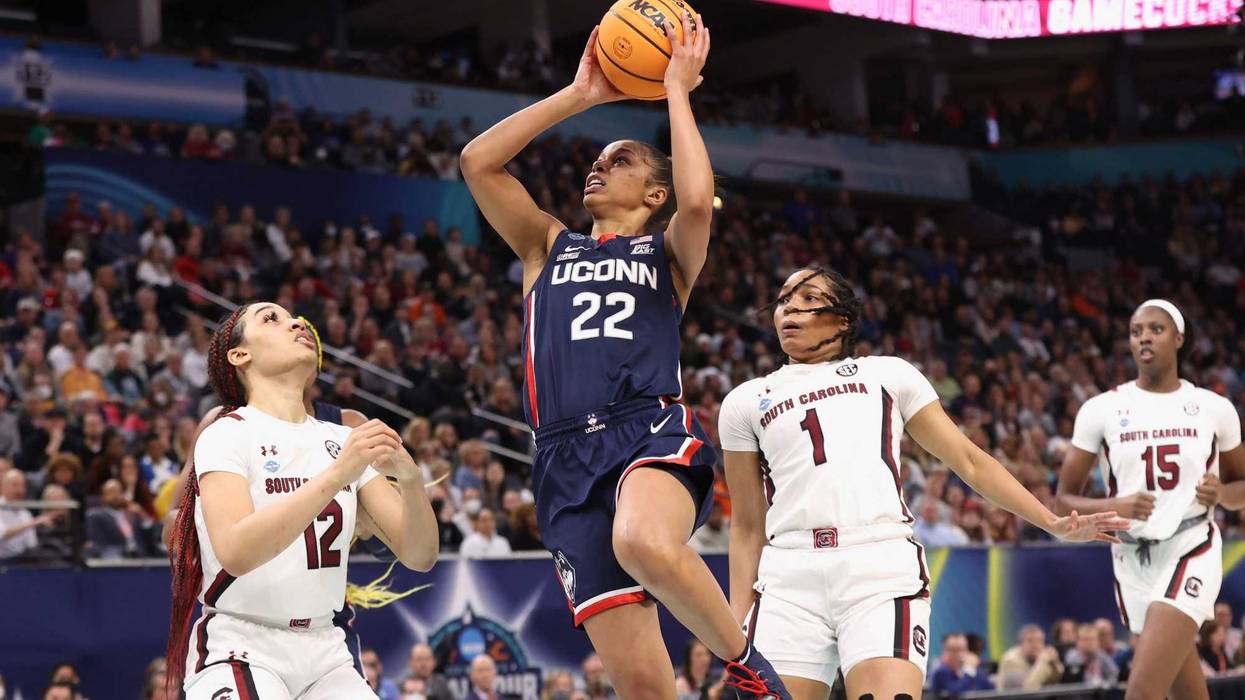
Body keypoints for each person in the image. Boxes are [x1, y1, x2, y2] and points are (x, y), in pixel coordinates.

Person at [460, 15, 781, 699]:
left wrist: (675, 90)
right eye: (596, 160)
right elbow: (476, 163)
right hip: (559, 459)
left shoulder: (665, 255)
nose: (597, 166)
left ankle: (748, 669)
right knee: (642, 685)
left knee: (642, 541)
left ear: (653, 195)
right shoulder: (547, 245)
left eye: (621, 161)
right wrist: (579, 94)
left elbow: (697, 201)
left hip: (646, 427)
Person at [719, 267, 1126, 700]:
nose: (789, 308)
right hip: (789, 575)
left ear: (842, 320)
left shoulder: (888, 375)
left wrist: (1050, 521)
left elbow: (969, 461)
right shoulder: (744, 401)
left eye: (807, 297)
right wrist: (736, 633)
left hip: (878, 565)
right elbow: (746, 528)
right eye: (783, 299)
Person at [163, 304, 438, 697]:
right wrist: (336, 475)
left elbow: (420, 555)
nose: (295, 322)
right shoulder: (227, 433)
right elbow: (236, 552)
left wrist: (411, 483)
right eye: (270, 319)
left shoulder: (343, 439)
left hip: (326, 648)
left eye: (294, 317)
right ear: (241, 355)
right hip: (241, 643)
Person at [1057, 299, 1245, 700]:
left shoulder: (1213, 408)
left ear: (1179, 338)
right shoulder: (1101, 409)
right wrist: (1115, 508)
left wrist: (1222, 494)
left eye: (1155, 329)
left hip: (1191, 544)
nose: (1144, 337)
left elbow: (1240, 487)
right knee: (1185, 690)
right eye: (1136, 330)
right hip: (1132, 557)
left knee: (1142, 691)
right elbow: (1063, 499)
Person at [997, 624, 1063, 690]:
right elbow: (1027, 690)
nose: (1035, 645)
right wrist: (1042, 662)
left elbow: (1055, 680)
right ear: (1021, 644)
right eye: (1030, 641)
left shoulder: (1038, 658)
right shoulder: (1010, 661)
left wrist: (1054, 662)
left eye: (1039, 640)